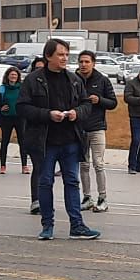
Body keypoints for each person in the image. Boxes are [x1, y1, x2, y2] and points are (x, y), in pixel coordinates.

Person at [18, 38, 101, 242]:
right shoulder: (33, 80)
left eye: (66, 54)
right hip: (44, 142)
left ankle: (77, 225)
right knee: (45, 182)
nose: (65, 58)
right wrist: (48, 114)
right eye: (60, 54)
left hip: (70, 139)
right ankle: (47, 225)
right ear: (48, 57)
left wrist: (77, 113)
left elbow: (86, 104)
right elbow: (22, 108)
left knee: (72, 182)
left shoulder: (74, 79)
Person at [76, 51, 119, 213]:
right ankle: (87, 197)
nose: (83, 65)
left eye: (87, 62)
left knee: (98, 164)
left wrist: (99, 100)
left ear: (93, 63)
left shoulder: (102, 80)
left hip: (97, 128)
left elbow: (113, 103)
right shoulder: (74, 79)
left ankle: (103, 198)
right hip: (79, 128)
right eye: (81, 62)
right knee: (83, 164)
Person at [0, 67, 27, 175]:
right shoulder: (2, 89)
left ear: (18, 77)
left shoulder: (22, 88)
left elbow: (29, 100)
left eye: (15, 75)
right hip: (6, 118)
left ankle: (24, 166)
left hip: (20, 118)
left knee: (22, 142)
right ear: (7, 76)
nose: (13, 77)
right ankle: (3, 166)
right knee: (5, 142)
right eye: (11, 75)